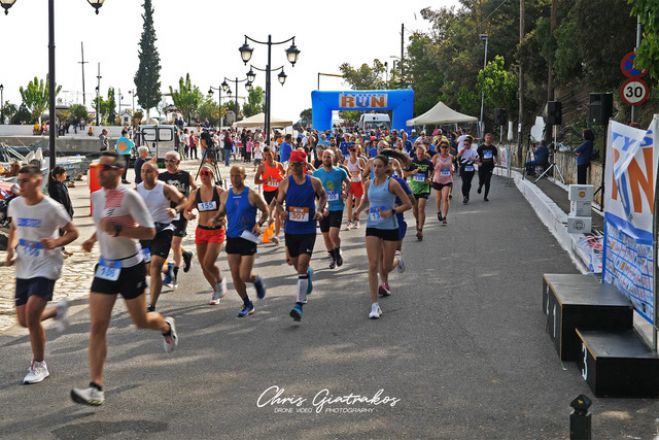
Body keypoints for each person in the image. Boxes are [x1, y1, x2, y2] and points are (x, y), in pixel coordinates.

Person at [71, 152, 178, 406]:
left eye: (105, 167)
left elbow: (150, 231)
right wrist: (92, 239)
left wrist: (120, 229)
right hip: (106, 267)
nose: (99, 170)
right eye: (97, 166)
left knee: (141, 321)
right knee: (97, 326)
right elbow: (102, 225)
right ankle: (96, 387)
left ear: (119, 171)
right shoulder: (97, 197)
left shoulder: (130, 196)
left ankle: (165, 327)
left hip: (130, 266)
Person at [6, 166, 79, 384]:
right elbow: (14, 228)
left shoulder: (52, 207)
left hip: (47, 265)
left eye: (26, 181)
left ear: (38, 183)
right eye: (19, 180)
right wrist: (11, 247)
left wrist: (56, 242)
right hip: (24, 265)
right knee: (23, 320)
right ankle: (58, 310)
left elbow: (73, 232)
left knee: (31, 317)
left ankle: (39, 365)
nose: (21, 185)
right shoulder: (16, 204)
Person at [353, 155, 412, 319]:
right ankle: (374, 305)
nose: (376, 169)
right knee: (372, 265)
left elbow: (408, 203)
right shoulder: (368, 183)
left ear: (386, 168)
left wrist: (392, 211)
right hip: (373, 226)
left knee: (384, 268)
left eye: (379, 166)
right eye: (374, 166)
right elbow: (366, 201)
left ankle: (398, 259)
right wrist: (357, 211)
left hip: (390, 227)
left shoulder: (392, 184)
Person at [275, 150, 327, 322]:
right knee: (298, 266)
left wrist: (319, 210)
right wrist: (281, 212)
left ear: (305, 165)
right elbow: (278, 203)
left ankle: (299, 303)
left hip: (308, 230)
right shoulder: (285, 183)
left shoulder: (314, 182)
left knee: (302, 264)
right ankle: (308, 273)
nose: (295, 167)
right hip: (291, 230)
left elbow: (323, 196)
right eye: (292, 164)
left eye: (298, 164)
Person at [212, 166, 269, 317]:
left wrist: (259, 224)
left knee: (244, 275)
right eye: (232, 176)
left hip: (248, 237)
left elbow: (266, 211)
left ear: (244, 176)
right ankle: (247, 303)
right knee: (235, 275)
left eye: (237, 175)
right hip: (232, 237)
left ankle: (255, 280)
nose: (234, 178)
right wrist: (216, 219)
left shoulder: (252, 194)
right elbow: (222, 212)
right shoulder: (225, 195)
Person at [136, 161, 185, 311]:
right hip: (145, 232)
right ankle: (168, 268)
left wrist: (175, 210)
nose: (145, 174)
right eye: (143, 171)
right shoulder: (137, 189)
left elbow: (184, 201)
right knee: (147, 270)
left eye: (149, 171)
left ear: (157, 173)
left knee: (155, 267)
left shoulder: (165, 188)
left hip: (163, 230)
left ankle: (152, 304)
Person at [184, 165, 227, 304]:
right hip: (201, 230)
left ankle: (220, 281)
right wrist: (189, 215)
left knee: (208, 263)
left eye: (207, 173)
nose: (203, 176)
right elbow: (186, 210)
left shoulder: (220, 192)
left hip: (217, 231)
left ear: (212, 175)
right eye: (201, 173)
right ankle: (216, 290)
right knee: (203, 265)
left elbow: (226, 209)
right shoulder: (195, 193)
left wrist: (220, 217)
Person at [158, 151, 195, 286]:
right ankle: (186, 254)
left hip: (181, 212)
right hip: (165, 213)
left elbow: (196, 191)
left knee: (174, 244)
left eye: (172, 161)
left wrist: (191, 208)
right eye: (166, 161)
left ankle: (174, 277)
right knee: (169, 243)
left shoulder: (186, 175)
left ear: (178, 162)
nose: (168, 163)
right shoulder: (161, 176)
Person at [313, 149, 350, 269]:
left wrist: (345, 192)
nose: (326, 159)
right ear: (321, 158)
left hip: (337, 206)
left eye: (329, 157)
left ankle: (337, 252)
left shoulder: (340, 172)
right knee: (326, 236)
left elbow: (348, 182)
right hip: (323, 208)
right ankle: (333, 256)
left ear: (333, 158)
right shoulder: (317, 173)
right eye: (324, 157)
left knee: (333, 234)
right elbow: (314, 191)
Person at [254, 146, 285, 245]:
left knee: (277, 213)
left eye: (270, 154)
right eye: (266, 155)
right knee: (273, 214)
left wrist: (282, 178)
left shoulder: (279, 165)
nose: (268, 157)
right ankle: (275, 232)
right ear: (264, 156)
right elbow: (256, 181)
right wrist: (265, 180)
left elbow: (284, 176)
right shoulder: (262, 167)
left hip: (278, 191)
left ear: (273, 154)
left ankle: (276, 235)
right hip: (267, 192)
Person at [404, 145, 434, 241]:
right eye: (418, 153)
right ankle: (417, 221)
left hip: (424, 188)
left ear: (424, 153)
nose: (419, 155)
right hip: (413, 188)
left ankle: (420, 229)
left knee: (421, 208)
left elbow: (432, 173)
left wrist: (430, 179)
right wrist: (412, 172)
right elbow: (404, 174)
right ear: (416, 153)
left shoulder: (429, 163)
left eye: (421, 154)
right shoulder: (411, 162)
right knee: (415, 209)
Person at [344, 145, 367, 230]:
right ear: (348, 151)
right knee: (349, 204)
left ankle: (357, 221)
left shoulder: (360, 160)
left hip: (358, 183)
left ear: (357, 151)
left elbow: (366, 172)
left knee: (357, 204)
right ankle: (349, 222)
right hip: (350, 184)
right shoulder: (346, 161)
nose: (352, 152)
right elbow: (344, 173)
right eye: (351, 150)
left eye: (354, 150)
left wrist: (361, 169)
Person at [431, 141, 454, 225]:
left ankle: (444, 217)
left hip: (447, 180)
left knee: (446, 198)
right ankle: (438, 211)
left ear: (448, 148)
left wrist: (452, 169)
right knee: (438, 198)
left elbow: (451, 167)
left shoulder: (451, 157)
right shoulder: (436, 156)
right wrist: (430, 175)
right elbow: (431, 167)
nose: (444, 148)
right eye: (442, 147)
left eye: (446, 147)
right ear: (439, 148)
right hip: (437, 180)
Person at [476, 133, 498, 202]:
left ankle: (485, 196)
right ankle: (480, 186)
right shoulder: (480, 148)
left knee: (487, 181)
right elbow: (477, 157)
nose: (488, 139)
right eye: (487, 138)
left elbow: (495, 156)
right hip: (482, 167)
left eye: (490, 138)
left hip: (490, 167)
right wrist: (478, 162)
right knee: (481, 180)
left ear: (491, 139)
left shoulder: (493, 148)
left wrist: (495, 160)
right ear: (485, 139)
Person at [457, 136, 478, 204]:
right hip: (463, 168)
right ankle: (464, 197)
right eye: (464, 144)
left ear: (470, 144)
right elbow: (457, 157)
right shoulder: (462, 149)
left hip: (471, 168)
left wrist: (473, 159)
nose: (465, 145)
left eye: (467, 144)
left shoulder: (473, 151)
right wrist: (463, 150)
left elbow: (478, 159)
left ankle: (467, 195)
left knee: (468, 183)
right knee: (464, 182)